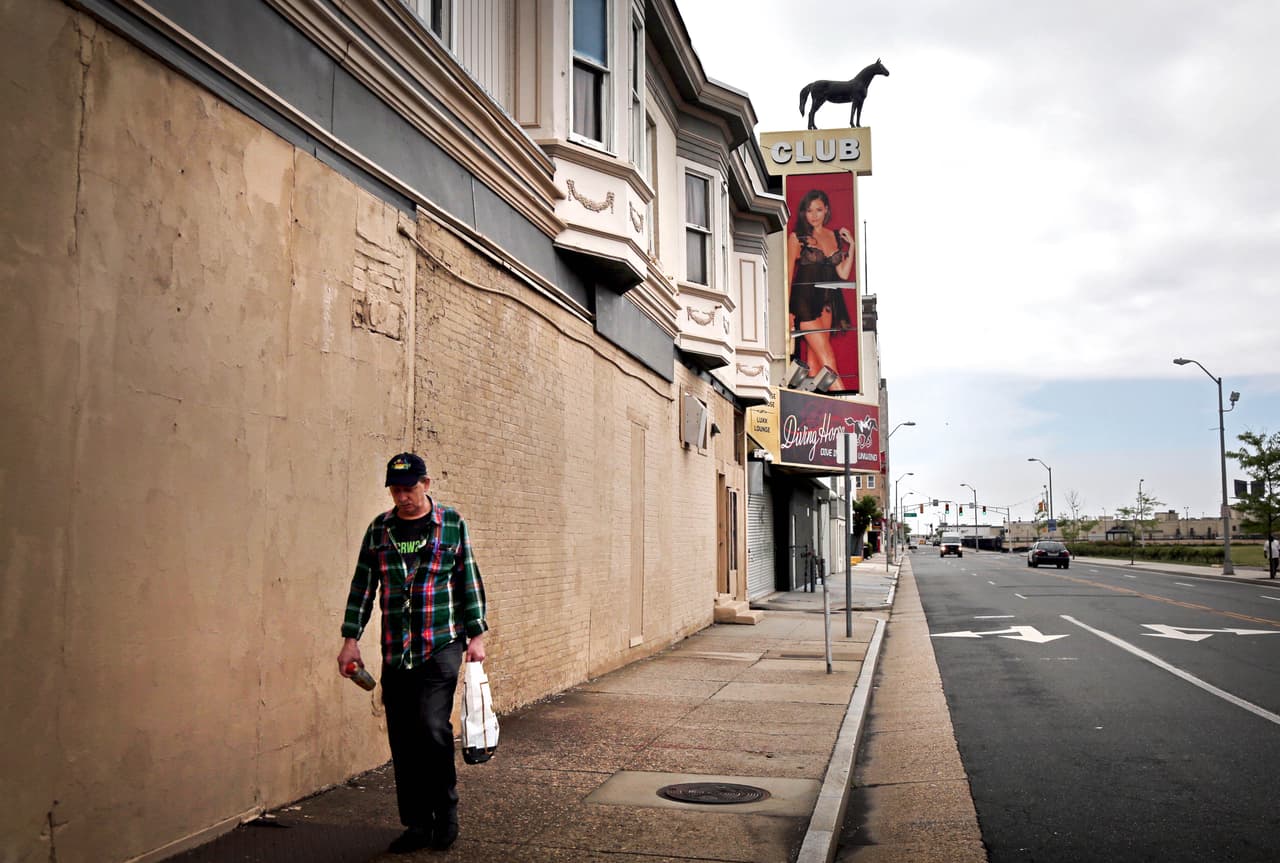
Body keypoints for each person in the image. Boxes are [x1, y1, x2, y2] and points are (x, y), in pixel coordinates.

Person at [337, 452, 488, 854]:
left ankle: (447, 813)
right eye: (396, 489)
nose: (403, 497)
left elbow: (468, 580)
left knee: (432, 727)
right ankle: (418, 824)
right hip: (395, 651)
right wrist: (351, 638)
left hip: (440, 644)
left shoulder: (451, 524)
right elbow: (362, 588)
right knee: (404, 738)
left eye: (410, 488)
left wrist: (477, 636)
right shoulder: (380, 530)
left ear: (427, 483)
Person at [787, 188, 855, 391]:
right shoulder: (797, 237)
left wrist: (851, 247)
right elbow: (788, 275)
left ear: (826, 209)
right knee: (828, 359)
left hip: (828, 302)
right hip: (804, 302)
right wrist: (788, 313)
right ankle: (846, 407)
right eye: (809, 211)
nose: (814, 215)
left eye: (818, 209)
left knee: (815, 364)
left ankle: (815, 407)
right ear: (804, 213)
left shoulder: (834, 236)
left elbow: (842, 273)